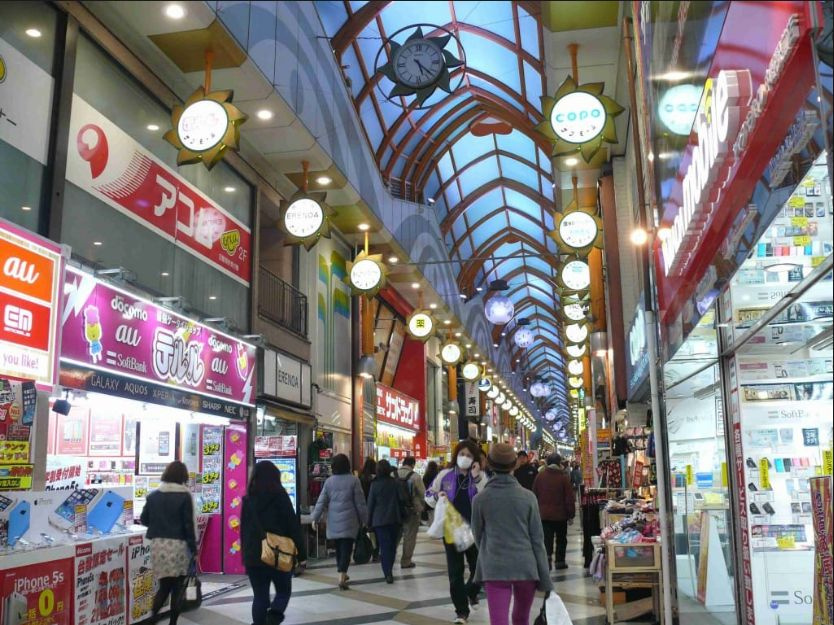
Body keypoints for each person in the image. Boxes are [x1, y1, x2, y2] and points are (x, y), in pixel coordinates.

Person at [472, 444, 553, 625]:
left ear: (489, 465)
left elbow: (477, 535)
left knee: (498, 621)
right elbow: (537, 540)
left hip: (495, 567)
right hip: (525, 567)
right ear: (514, 465)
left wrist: (490, 550)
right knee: (521, 619)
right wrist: (545, 578)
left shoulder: (480, 499)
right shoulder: (528, 497)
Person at [426, 440, 486, 624]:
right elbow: (429, 495)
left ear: (474, 459)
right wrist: (437, 496)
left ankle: (470, 593)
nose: (465, 458)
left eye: (469, 455)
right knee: (455, 573)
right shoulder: (444, 475)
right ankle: (461, 612)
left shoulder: (480, 477)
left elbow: (486, 496)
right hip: (452, 530)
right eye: (462, 454)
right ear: (456, 455)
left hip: (474, 531)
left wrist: (476, 477)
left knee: (479, 569)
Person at [241, 461, 306, 625]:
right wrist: (302, 555)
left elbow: (244, 531)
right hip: (279, 554)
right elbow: (293, 526)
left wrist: (246, 556)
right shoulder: (280, 496)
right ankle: (273, 618)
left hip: (254, 557)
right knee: (284, 592)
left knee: (260, 596)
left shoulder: (248, 499)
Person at [139, 461, 197, 625]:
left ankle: (152, 619)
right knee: (178, 588)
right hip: (179, 546)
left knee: (163, 586)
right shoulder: (185, 495)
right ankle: (172, 622)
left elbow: (144, 519)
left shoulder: (153, 495)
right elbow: (188, 525)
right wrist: (194, 549)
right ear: (182, 476)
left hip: (159, 546)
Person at [312, 454, 367, 590]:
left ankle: (341, 571)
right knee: (346, 549)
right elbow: (360, 504)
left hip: (334, 521)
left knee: (338, 548)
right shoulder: (354, 481)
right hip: (350, 521)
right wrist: (365, 519)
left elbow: (321, 501)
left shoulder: (329, 482)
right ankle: (342, 574)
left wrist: (315, 518)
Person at [533, 453, 576, 570]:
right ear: (559, 463)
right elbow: (569, 498)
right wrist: (571, 514)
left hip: (544, 515)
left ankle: (547, 559)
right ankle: (560, 561)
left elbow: (534, 495)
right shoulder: (563, 478)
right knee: (561, 539)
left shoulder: (540, 476)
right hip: (560, 516)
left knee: (547, 539)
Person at [367, 459, 402, 583]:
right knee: (392, 546)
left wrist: (368, 522)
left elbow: (370, 504)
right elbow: (401, 500)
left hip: (380, 521)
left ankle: (387, 572)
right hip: (395, 519)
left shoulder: (374, 485)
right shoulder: (395, 483)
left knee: (384, 546)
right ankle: (389, 569)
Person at [396, 456, 425, 568]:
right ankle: (406, 561)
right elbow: (423, 494)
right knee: (409, 536)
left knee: (395, 535)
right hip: (411, 511)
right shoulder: (415, 477)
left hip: (396, 511)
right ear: (413, 464)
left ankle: (389, 558)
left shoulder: (393, 475)